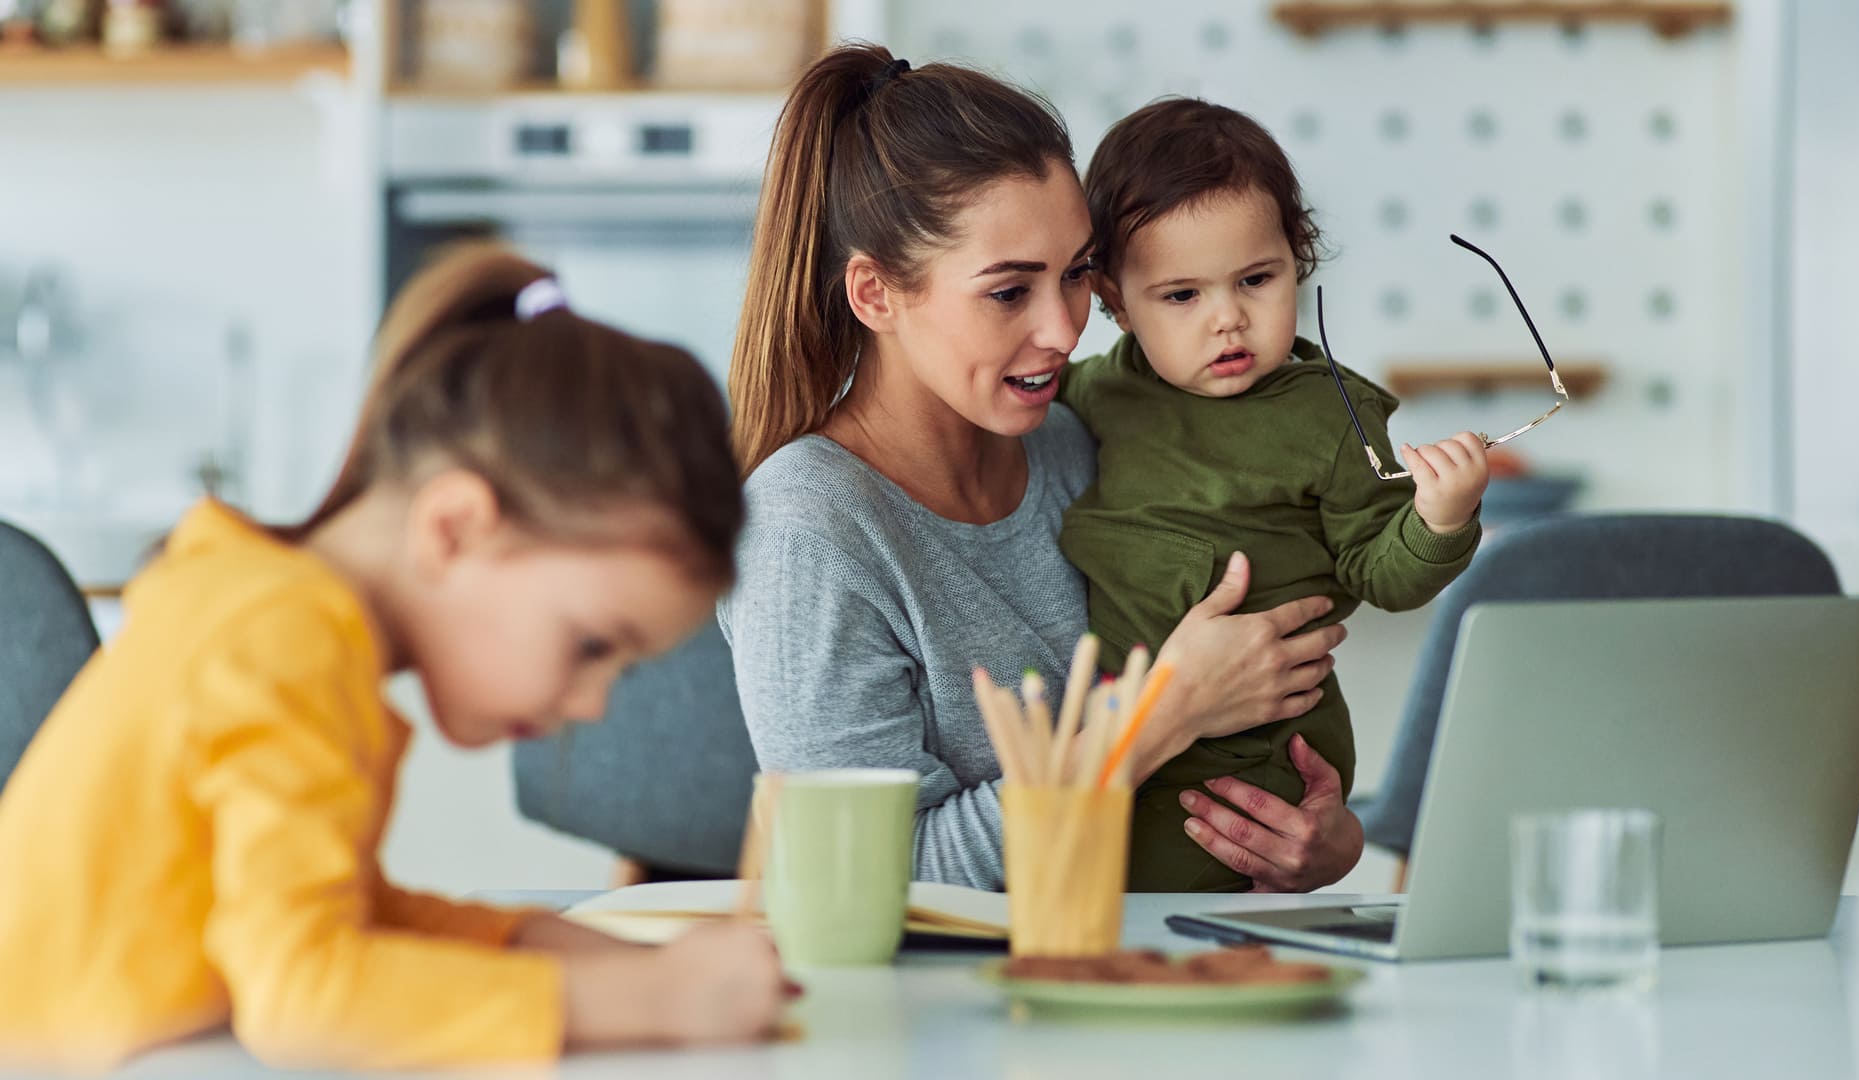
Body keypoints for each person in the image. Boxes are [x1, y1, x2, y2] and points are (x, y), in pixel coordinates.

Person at [0, 245, 792, 1072]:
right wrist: (651, 1003)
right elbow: (303, 990)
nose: (593, 705)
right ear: (453, 528)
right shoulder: (286, 639)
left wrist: (550, 946)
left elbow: (337, 914)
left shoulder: (267, 607)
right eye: (593, 646)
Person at [722, 44, 1361, 893]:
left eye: (1076, 274)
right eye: (1008, 292)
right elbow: (871, 878)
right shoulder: (807, 529)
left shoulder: (1079, 442)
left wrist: (1317, 839)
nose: (1066, 328)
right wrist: (1156, 716)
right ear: (875, 294)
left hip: (1155, 962)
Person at [1059, 98, 1492, 892]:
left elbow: (1379, 572)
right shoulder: (1089, 396)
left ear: (1299, 260)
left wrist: (1440, 517)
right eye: (1181, 296)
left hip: (1259, 766)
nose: (1228, 319)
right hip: (1122, 749)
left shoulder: (1331, 415)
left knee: (1204, 922)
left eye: (1257, 279)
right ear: (1114, 301)